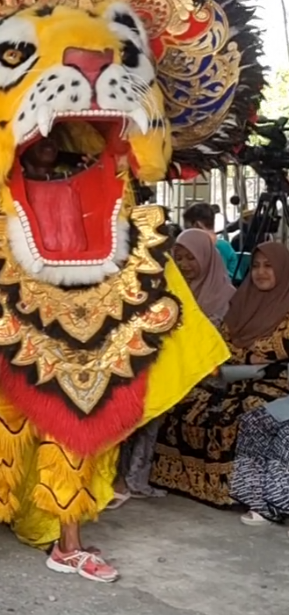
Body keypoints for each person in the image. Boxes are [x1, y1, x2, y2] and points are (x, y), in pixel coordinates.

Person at [150, 242, 289, 505]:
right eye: (256, 266)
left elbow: (274, 354)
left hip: (276, 382)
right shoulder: (241, 301)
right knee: (182, 403)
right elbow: (222, 345)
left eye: (269, 266)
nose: (260, 272)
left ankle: (236, 492)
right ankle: (180, 480)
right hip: (230, 378)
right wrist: (247, 356)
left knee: (244, 411)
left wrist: (247, 355)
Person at [111, 228, 235, 503]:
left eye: (191, 258)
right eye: (178, 258)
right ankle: (120, 477)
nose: (184, 265)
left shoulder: (224, 296)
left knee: (152, 400)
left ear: (207, 259)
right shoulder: (167, 289)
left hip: (205, 376)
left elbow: (211, 348)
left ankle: (131, 479)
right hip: (172, 367)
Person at [183, 200, 242, 281]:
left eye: (186, 229)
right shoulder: (225, 246)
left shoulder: (195, 248)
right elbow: (237, 279)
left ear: (196, 225)